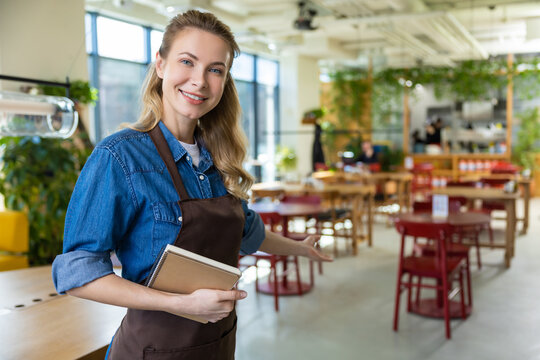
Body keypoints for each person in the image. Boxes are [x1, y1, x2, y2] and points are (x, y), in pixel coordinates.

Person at [51, 10, 331, 360]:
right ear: (161, 64)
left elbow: (248, 232)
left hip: (216, 346)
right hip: (151, 350)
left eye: (215, 69)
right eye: (187, 61)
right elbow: (79, 274)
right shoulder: (119, 157)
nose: (199, 81)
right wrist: (180, 303)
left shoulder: (219, 157)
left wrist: (300, 247)